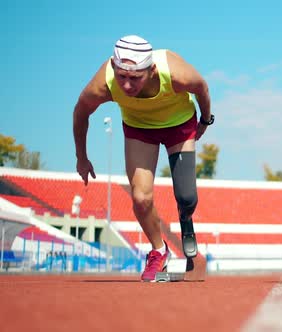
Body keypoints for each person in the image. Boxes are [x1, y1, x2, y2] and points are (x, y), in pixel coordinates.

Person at [73, 35, 213, 281]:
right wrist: (81, 157)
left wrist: (204, 120)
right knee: (139, 197)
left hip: (179, 124)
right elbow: (81, 111)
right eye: (122, 77)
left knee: (187, 197)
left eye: (135, 78)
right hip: (139, 128)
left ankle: (186, 221)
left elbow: (202, 88)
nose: (126, 86)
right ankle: (159, 250)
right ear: (114, 67)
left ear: (151, 70)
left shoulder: (177, 74)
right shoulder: (103, 84)